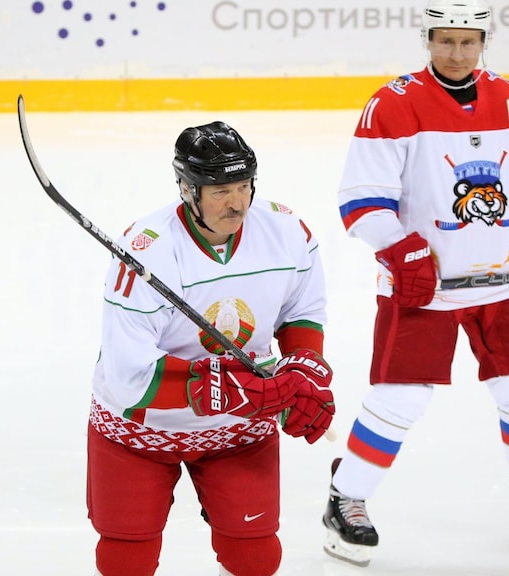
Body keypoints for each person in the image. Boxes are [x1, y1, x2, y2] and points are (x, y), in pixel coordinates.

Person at [324, 0, 509, 567]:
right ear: (428, 39)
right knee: (401, 398)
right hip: (424, 286)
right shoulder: (393, 103)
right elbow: (361, 202)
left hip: (503, 278)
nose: (457, 53)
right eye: (445, 41)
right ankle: (345, 498)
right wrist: (403, 250)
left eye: (468, 41)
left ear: (484, 41)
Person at [86, 121, 335, 576]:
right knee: (125, 561)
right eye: (220, 191)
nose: (236, 203)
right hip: (142, 427)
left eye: (243, 186)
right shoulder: (147, 250)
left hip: (239, 426)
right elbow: (127, 375)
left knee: (255, 559)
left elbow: (302, 310)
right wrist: (221, 389)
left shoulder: (286, 231)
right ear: (188, 189)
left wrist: (300, 373)